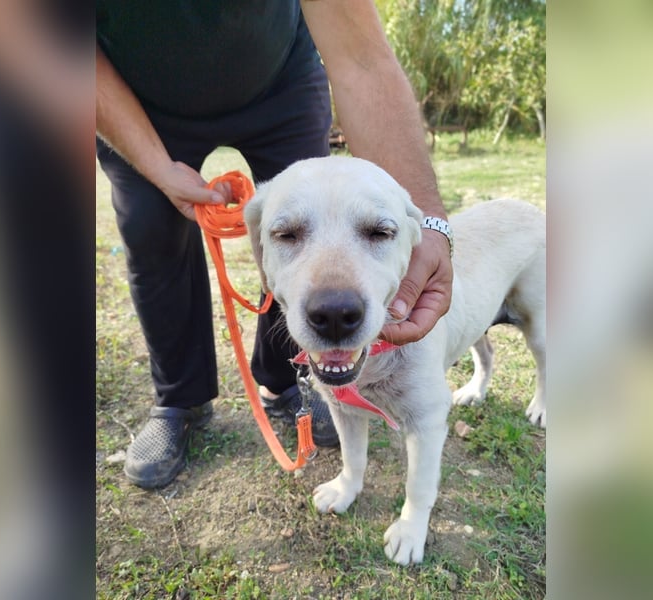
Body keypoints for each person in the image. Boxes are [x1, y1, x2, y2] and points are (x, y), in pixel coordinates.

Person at [96, 0, 454, 489]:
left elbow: (363, 58)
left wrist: (431, 222)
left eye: (379, 233)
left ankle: (286, 380)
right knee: (149, 228)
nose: (335, 301)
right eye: (283, 235)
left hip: (279, 80)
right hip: (133, 91)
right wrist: (157, 170)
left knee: (319, 204)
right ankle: (179, 399)